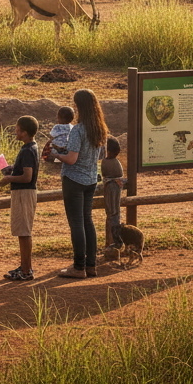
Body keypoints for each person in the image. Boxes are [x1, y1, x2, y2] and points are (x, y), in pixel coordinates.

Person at [55, 89, 108, 278]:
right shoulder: (100, 129)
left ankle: (78, 267)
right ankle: (91, 265)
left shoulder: (78, 130)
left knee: (76, 223)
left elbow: (71, 159)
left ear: (79, 106)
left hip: (74, 180)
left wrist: (56, 154)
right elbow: (102, 155)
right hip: (91, 179)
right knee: (87, 221)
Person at [1, 116, 40, 281]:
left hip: (24, 193)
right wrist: (12, 169)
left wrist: (9, 178)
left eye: (17, 129)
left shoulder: (26, 151)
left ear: (24, 132)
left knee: (24, 233)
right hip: (25, 193)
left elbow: (27, 177)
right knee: (23, 232)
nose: (15, 131)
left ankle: (26, 271)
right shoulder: (31, 147)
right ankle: (25, 266)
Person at [102, 137, 125, 250]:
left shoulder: (107, 162)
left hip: (111, 188)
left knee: (112, 214)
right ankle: (116, 240)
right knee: (114, 214)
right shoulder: (113, 162)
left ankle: (116, 240)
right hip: (113, 188)